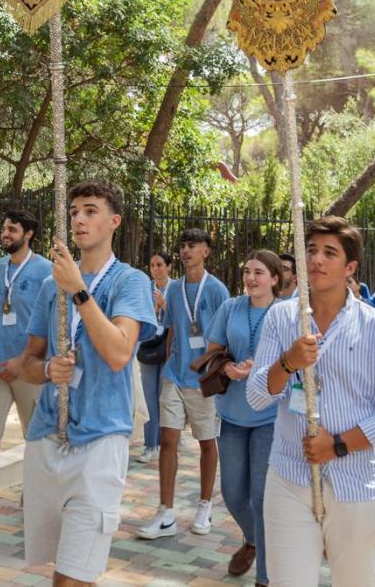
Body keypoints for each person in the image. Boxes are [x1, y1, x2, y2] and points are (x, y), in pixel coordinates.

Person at [248, 216, 375, 587]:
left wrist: (339, 444)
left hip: (355, 481)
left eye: (330, 253)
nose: (317, 260)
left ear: (350, 267)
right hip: (290, 476)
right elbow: (257, 395)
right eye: (311, 250)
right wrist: (288, 361)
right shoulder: (281, 318)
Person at [20, 179, 158, 586]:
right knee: (59, 573)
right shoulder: (50, 286)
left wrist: (78, 290)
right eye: (74, 211)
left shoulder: (129, 281)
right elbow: (27, 361)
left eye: (91, 211)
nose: (79, 218)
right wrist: (47, 371)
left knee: (75, 576)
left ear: (113, 221)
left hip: (100, 440)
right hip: (47, 436)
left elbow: (118, 353)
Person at [138, 228, 229, 539]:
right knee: (168, 441)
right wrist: (169, 364)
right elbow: (173, 331)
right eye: (183, 246)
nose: (186, 251)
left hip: (203, 380)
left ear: (206, 251)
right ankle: (165, 512)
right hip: (174, 375)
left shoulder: (217, 290)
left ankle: (205, 504)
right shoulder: (174, 290)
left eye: (194, 245)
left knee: (207, 442)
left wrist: (211, 369)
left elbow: (224, 337)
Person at [201, 249, 282, 583]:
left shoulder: (286, 313)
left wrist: (261, 371)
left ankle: (265, 575)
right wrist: (229, 368)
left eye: (259, 272)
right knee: (233, 493)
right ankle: (253, 539)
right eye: (247, 271)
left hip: (270, 416)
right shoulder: (229, 307)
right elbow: (210, 353)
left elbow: (297, 362)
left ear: (275, 278)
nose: (251, 278)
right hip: (232, 414)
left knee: (262, 496)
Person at [0, 209, 52, 534]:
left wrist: (22, 361)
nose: (5, 234)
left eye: (12, 229)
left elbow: (50, 325)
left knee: (34, 438)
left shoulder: (45, 271)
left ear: (29, 234)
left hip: (28, 369)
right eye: (4, 228)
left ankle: (34, 500)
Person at [135, 250, 174, 464]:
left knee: (163, 396)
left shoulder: (176, 288)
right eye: (152, 265)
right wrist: (153, 307)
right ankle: (150, 445)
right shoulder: (145, 288)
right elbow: (138, 316)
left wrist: (165, 305)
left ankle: (165, 443)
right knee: (149, 396)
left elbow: (180, 318)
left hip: (167, 346)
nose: (155, 269)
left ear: (169, 267)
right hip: (148, 345)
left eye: (160, 264)